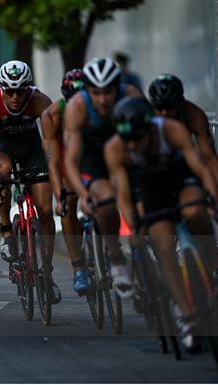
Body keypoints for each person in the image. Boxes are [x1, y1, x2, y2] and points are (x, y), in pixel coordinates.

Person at [105, 96, 218, 350]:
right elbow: (122, 193)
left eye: (139, 138)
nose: (134, 145)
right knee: (163, 247)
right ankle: (187, 316)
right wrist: (133, 226)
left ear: (151, 127)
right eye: (128, 140)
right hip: (149, 188)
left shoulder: (171, 129)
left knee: (197, 212)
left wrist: (216, 197)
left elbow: (199, 166)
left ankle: (217, 263)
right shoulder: (115, 148)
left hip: (179, 178)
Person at [0, 60, 61, 303]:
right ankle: (6, 230)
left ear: (29, 88)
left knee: (45, 210)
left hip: (31, 148)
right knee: (1, 170)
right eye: (10, 91)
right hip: (3, 149)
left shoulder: (40, 101)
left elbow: (52, 143)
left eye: (21, 90)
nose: (15, 96)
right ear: (2, 89)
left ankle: (46, 270)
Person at [63, 57, 142, 298]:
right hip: (93, 157)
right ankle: (116, 256)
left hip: (127, 153)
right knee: (105, 201)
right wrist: (84, 195)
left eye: (108, 92)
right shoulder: (77, 107)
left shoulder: (131, 96)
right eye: (96, 93)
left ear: (117, 87)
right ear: (87, 90)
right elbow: (71, 161)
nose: (103, 99)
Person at [148, 74, 218, 211]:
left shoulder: (194, 116)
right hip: (153, 165)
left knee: (195, 211)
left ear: (181, 102)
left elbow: (209, 157)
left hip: (183, 163)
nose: (164, 114)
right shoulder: (143, 116)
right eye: (159, 108)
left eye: (170, 108)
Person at [41, 68, 89, 294]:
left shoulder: (98, 106)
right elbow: (52, 162)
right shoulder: (51, 116)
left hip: (91, 157)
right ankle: (79, 268)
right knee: (67, 206)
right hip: (65, 161)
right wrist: (59, 194)